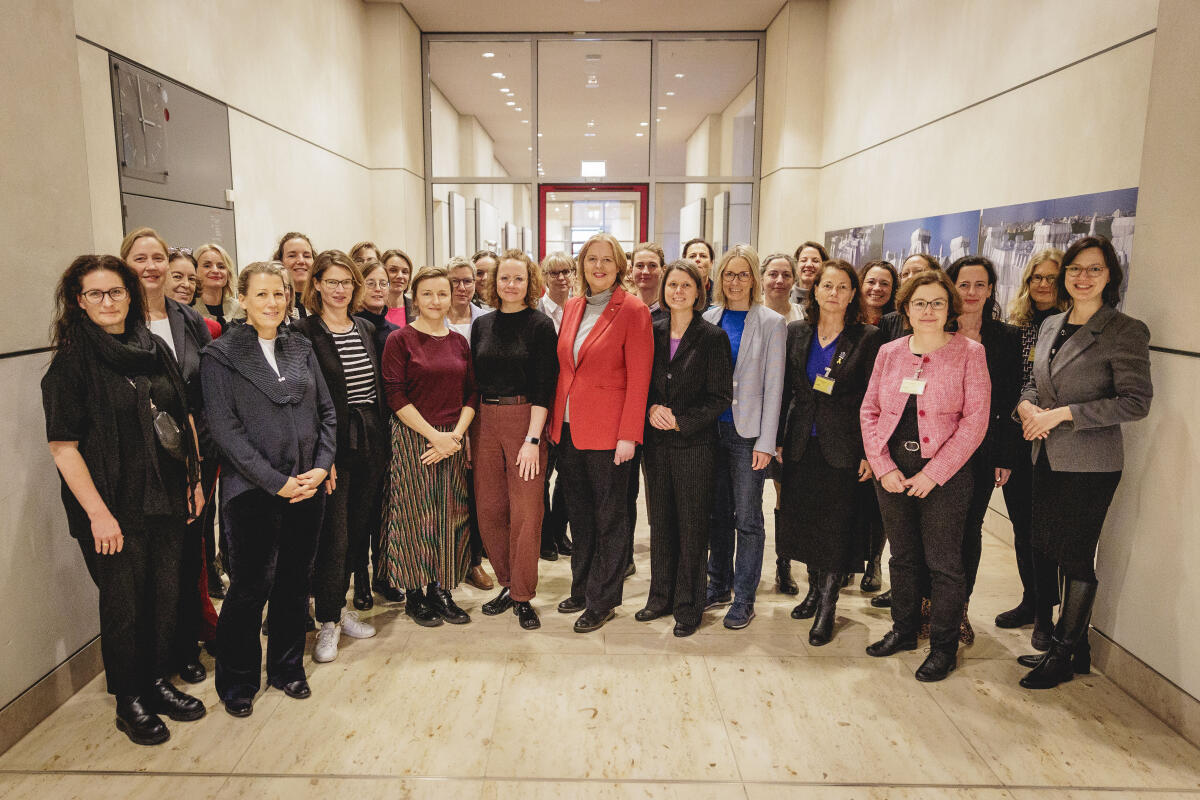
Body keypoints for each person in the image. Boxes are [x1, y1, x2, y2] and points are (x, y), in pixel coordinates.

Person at [43, 254, 205, 746]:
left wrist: (193, 481)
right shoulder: (71, 363)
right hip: (111, 507)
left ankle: (156, 681)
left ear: (130, 295)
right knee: (124, 606)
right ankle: (129, 699)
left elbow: (182, 415)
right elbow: (63, 448)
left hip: (165, 496)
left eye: (115, 291)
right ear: (79, 302)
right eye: (96, 294)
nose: (108, 302)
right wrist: (98, 515)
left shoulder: (152, 347)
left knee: (164, 596)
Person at [1015, 235, 1152, 689]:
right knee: (1045, 547)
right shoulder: (1053, 324)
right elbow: (1036, 383)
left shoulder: (1124, 329)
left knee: (1075, 554)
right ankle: (1073, 649)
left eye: (1094, 269)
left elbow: (1135, 402)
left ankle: (1064, 649)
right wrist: (1028, 408)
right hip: (1046, 455)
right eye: (1075, 268)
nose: (1082, 277)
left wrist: (1065, 414)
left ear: (1110, 275)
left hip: (1091, 465)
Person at [201, 261, 336, 717]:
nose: (272, 303)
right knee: (250, 586)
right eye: (261, 295)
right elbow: (225, 430)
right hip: (253, 491)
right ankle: (238, 681)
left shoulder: (300, 347)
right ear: (242, 299)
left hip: (307, 486)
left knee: (295, 582)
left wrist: (320, 467)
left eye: (278, 294)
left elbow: (327, 414)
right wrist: (276, 482)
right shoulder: (220, 356)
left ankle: (286, 668)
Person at [860, 270, 989, 682]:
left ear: (950, 307)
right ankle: (903, 629)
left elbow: (975, 422)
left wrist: (934, 474)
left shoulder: (970, 353)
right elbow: (869, 412)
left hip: (945, 476)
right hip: (894, 472)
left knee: (944, 563)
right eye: (920, 303)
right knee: (903, 556)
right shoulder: (890, 352)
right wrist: (883, 467)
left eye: (936, 303)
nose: (928, 310)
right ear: (906, 309)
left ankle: (943, 647)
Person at [121, 228, 214, 685]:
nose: (152, 267)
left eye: (158, 257)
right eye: (141, 258)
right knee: (152, 564)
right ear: (126, 264)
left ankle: (185, 646)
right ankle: (151, 664)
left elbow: (200, 387)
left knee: (187, 555)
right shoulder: (119, 320)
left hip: (193, 448)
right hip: (142, 458)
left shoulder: (187, 319)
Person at [550, 232, 653, 633]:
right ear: (582, 264)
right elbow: (566, 369)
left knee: (610, 518)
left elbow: (639, 378)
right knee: (580, 515)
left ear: (619, 266)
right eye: (591, 259)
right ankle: (582, 587)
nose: (598, 266)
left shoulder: (632, 310)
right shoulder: (573, 305)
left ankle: (603, 599)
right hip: (570, 429)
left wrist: (629, 434)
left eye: (606, 260)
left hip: (611, 434)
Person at [777, 260, 882, 645]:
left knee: (837, 525)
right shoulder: (796, 332)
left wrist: (872, 452)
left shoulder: (867, 337)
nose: (833, 293)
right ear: (814, 291)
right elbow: (786, 389)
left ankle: (828, 605)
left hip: (846, 445)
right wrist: (777, 439)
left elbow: (876, 399)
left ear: (852, 293)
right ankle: (813, 589)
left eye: (842, 287)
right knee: (806, 521)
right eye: (827, 286)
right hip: (802, 440)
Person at [295, 251, 388, 661]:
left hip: (369, 438)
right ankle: (327, 621)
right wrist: (322, 456)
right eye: (330, 282)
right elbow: (307, 399)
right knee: (332, 535)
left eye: (346, 282)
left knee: (357, 529)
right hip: (331, 442)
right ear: (316, 284)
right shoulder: (303, 333)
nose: (339, 289)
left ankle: (341, 607)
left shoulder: (365, 328)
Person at [379, 266, 479, 627]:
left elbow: (471, 393)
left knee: (450, 515)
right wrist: (433, 436)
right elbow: (394, 393)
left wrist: (454, 436)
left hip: (452, 436)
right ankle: (415, 593)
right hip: (412, 436)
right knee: (414, 517)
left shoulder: (459, 342)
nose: (436, 301)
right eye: (427, 294)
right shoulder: (400, 340)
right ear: (415, 298)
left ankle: (441, 589)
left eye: (442, 293)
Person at [637, 260, 732, 636]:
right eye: (672, 284)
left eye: (686, 286)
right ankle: (659, 596)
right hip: (657, 445)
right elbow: (639, 380)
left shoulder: (712, 337)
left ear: (698, 292)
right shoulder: (651, 328)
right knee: (660, 523)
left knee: (692, 527)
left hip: (695, 446)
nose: (678, 291)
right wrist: (650, 408)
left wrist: (682, 420)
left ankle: (689, 605)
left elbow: (720, 396)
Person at [471, 250, 559, 630]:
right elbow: (473, 381)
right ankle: (506, 583)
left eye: (518, 278)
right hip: (484, 421)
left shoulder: (540, 325)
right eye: (504, 278)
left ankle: (523, 594)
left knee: (527, 512)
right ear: (494, 283)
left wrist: (533, 440)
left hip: (525, 419)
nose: (510, 284)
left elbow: (545, 386)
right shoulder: (482, 325)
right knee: (490, 509)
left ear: (530, 283)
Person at [701, 245, 786, 630]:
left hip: (747, 434)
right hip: (709, 431)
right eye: (728, 275)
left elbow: (775, 386)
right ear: (720, 279)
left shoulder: (770, 322)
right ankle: (717, 584)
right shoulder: (709, 317)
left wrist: (766, 442)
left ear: (754, 278)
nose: (735, 282)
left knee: (748, 518)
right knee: (717, 514)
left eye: (743, 274)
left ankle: (744, 597)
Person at [945, 256, 1022, 644]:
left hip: (984, 450)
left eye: (980, 285)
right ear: (951, 286)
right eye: (964, 284)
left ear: (991, 289)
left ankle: (958, 610)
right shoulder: (936, 328)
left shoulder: (1006, 338)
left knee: (967, 532)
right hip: (935, 449)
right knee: (934, 533)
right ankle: (929, 606)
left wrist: (1005, 455)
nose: (971, 292)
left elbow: (1010, 399)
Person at [996, 248, 1066, 641]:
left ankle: (1046, 613)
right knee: (1023, 527)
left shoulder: (1070, 326)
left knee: (1047, 531)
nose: (1042, 285)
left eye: (1051, 278)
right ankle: (1029, 599)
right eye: (1036, 278)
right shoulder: (1017, 327)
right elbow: (1009, 385)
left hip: (1058, 439)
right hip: (1019, 437)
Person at [351, 257, 405, 604]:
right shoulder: (353, 326)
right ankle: (360, 583)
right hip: (358, 431)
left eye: (383, 283)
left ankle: (384, 574)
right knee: (360, 512)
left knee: (385, 510)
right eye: (370, 282)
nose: (378, 289)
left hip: (389, 429)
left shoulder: (392, 333)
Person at [446, 256, 496, 590]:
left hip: (476, 413)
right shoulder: (431, 319)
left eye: (468, 281)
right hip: (441, 416)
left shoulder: (486, 319)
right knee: (448, 493)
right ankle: (449, 559)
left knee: (476, 490)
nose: (462, 287)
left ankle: (474, 560)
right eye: (455, 281)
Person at [759, 251, 805, 596]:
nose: (779, 281)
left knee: (783, 494)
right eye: (772, 274)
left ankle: (783, 563)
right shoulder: (749, 313)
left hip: (786, 418)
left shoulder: (802, 319)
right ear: (762, 277)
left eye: (785, 275)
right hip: (748, 416)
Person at [855, 259, 899, 594]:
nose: (876, 289)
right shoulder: (849, 318)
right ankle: (849, 561)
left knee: (876, 503)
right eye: (871, 281)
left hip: (883, 420)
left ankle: (873, 563)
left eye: (884, 283)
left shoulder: (895, 325)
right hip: (848, 416)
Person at [537, 252, 574, 561]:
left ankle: (560, 531)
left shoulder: (580, 310)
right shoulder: (536, 312)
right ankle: (545, 536)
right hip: (542, 403)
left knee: (569, 474)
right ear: (544, 277)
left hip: (572, 406)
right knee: (541, 475)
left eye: (566, 272)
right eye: (555, 273)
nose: (561, 278)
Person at [878, 254, 941, 343]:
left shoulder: (947, 318)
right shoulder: (889, 322)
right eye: (905, 274)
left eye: (918, 272)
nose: (910, 277)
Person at [194, 243, 241, 332]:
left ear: (228, 273)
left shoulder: (240, 308)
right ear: (194, 271)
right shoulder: (189, 311)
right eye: (207, 266)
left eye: (221, 266)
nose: (215, 270)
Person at [274, 232, 315, 318]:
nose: (301, 261)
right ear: (280, 261)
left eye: (307, 256)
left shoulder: (326, 301)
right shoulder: (272, 303)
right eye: (292, 256)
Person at [631, 242, 666, 319]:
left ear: (663, 270)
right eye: (640, 266)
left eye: (652, 265)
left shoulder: (672, 313)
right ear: (631, 270)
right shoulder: (622, 311)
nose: (645, 271)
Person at [859, 260, 898, 327]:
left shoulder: (898, 323)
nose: (877, 288)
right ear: (861, 284)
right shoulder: (846, 319)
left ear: (893, 289)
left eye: (884, 284)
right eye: (871, 282)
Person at [381, 248, 414, 325]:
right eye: (393, 270)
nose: (400, 276)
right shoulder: (372, 308)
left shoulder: (418, 308)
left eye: (405, 272)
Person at [790, 241, 828, 306]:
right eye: (803, 260)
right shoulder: (785, 296)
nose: (809, 265)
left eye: (815, 261)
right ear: (796, 265)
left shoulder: (829, 298)